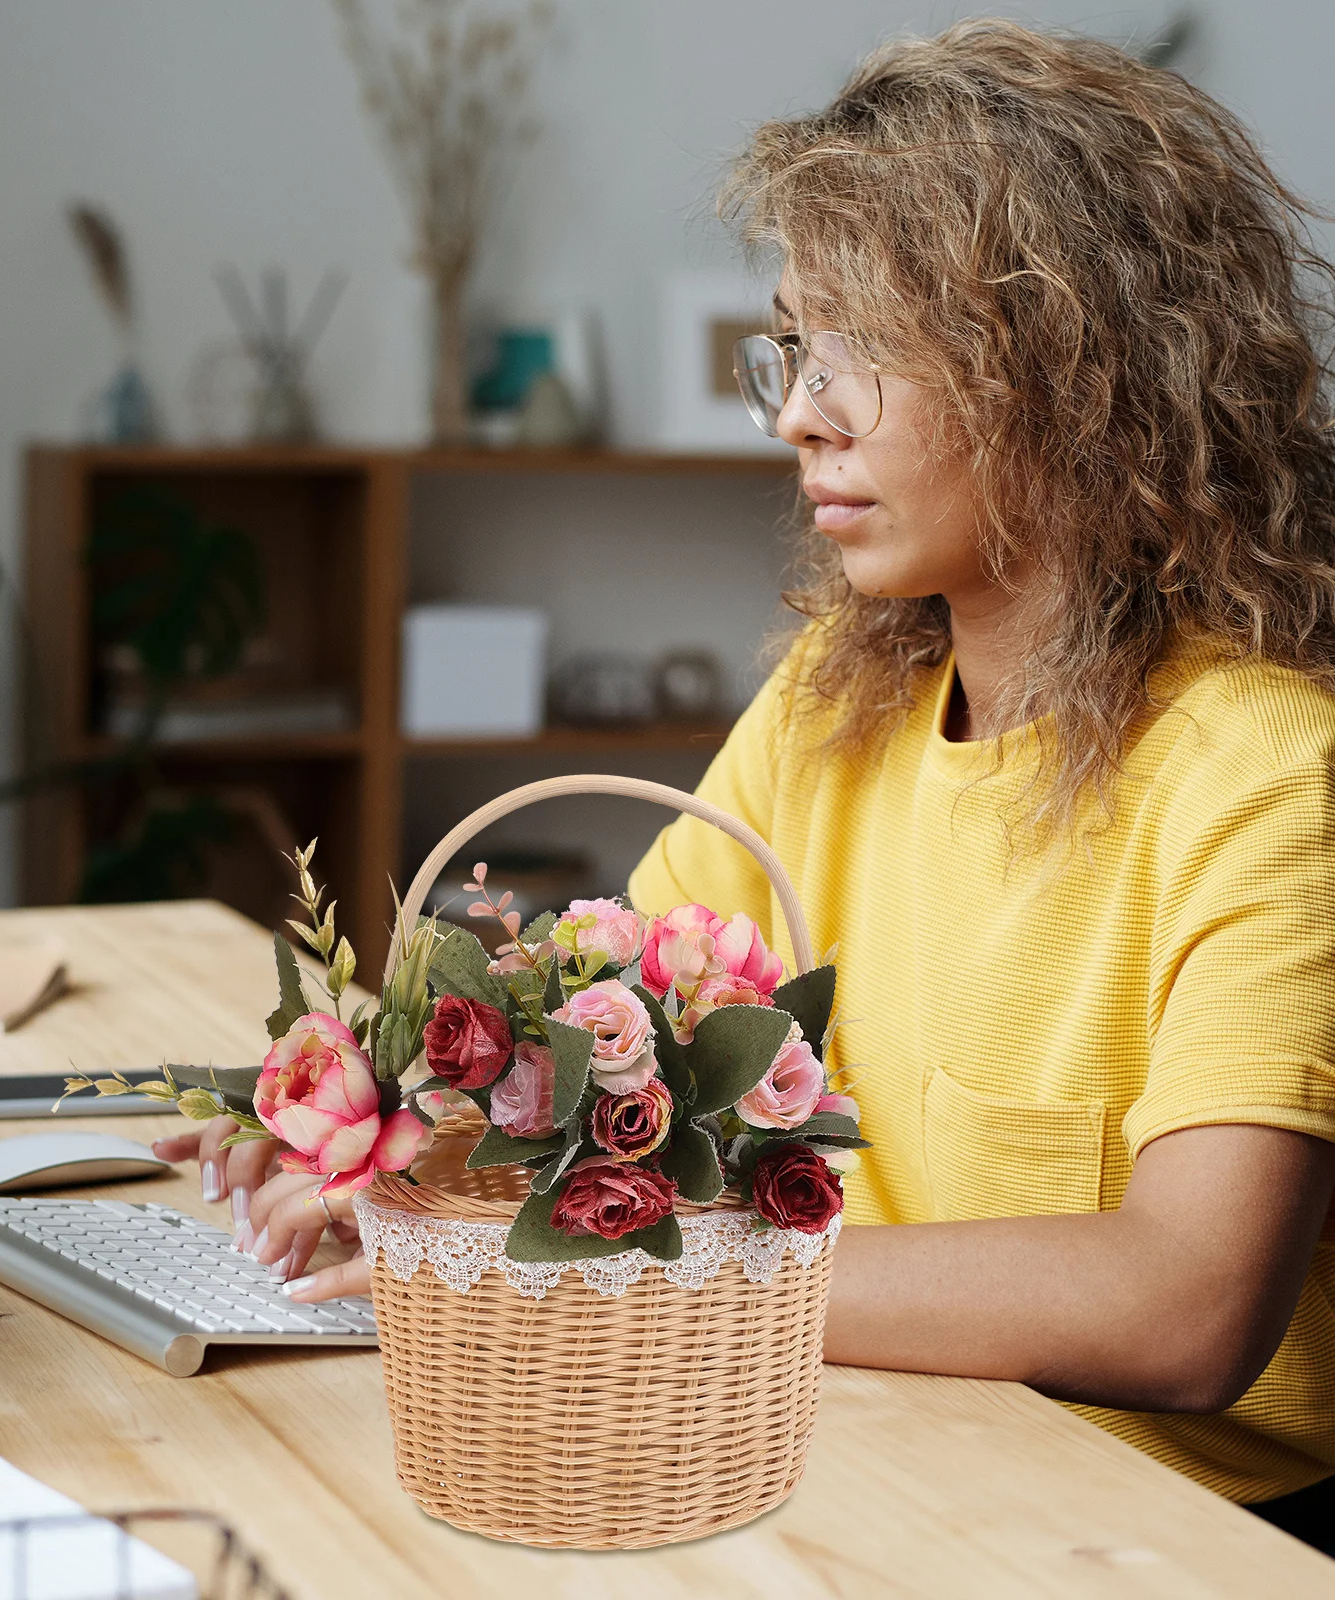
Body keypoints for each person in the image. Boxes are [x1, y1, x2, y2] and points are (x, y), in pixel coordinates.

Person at [158, 20, 1335, 1546]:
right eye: (794, 345)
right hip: (840, 1444)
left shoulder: (1271, 775)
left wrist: (587, 1258)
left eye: (868, 354)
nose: (798, 413)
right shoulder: (835, 707)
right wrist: (383, 1153)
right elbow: (580, 1063)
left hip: (1151, 1535)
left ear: (1080, 374)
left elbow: (1184, 1308)